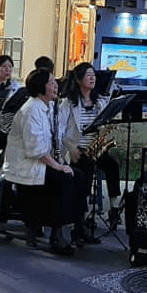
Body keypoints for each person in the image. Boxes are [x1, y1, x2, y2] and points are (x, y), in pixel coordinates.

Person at [3, 68, 84, 255]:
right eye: (51, 82)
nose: (56, 85)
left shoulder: (45, 107)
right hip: (25, 165)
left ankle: (77, 229)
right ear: (41, 88)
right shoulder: (32, 110)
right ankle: (56, 235)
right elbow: (36, 150)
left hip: (37, 162)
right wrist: (58, 165)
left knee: (78, 176)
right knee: (64, 179)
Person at [61, 62, 115, 243]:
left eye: (94, 75)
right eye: (88, 75)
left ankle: (108, 212)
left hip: (93, 150)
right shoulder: (68, 103)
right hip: (76, 150)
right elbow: (60, 131)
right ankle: (79, 225)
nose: (93, 78)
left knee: (109, 166)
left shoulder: (100, 102)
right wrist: (71, 147)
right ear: (78, 80)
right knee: (84, 174)